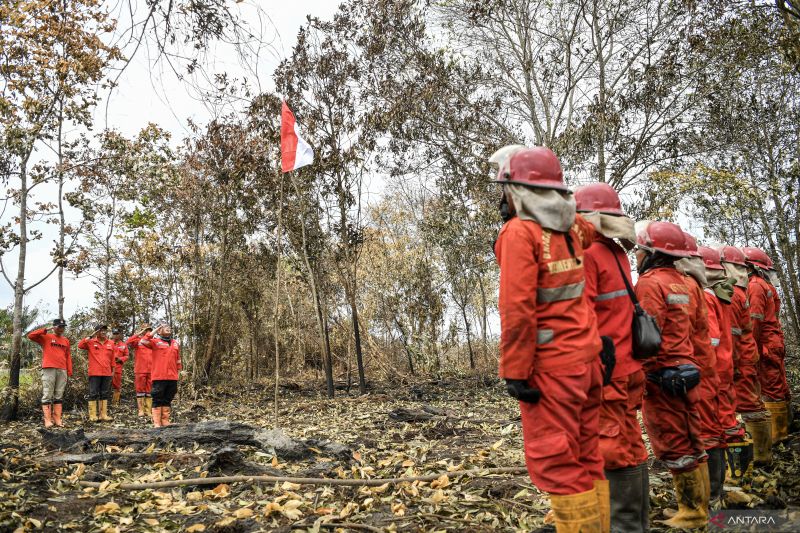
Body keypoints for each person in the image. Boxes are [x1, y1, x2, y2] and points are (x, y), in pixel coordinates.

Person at [491, 146, 608, 532]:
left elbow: (517, 309)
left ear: (516, 190)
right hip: (587, 363)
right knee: (588, 456)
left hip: (553, 369)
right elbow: (595, 225)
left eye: (504, 189)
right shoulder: (573, 227)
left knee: (556, 463)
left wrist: (515, 370)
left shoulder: (518, 233)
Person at [575, 183, 648, 533]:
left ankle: (623, 526)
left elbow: (582, 314)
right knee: (631, 444)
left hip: (608, 371)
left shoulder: (588, 255)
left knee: (612, 448)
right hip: (630, 367)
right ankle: (637, 523)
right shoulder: (618, 253)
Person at [634, 221, 707, 529]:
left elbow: (647, 336)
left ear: (651, 252)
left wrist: (639, 374)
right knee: (694, 440)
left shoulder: (650, 283)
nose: (636, 255)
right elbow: (701, 332)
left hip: (662, 376)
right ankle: (701, 507)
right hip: (690, 371)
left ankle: (692, 514)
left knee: (674, 443)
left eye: (638, 249)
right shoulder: (690, 283)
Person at [676, 235, 725, 508]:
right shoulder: (701, 291)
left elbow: (711, 339)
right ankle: (713, 494)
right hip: (707, 369)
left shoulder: (699, 293)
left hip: (703, 370)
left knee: (706, 431)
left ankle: (710, 498)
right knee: (710, 428)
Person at [719, 245, 772, 466]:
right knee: (752, 404)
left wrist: (731, 365)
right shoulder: (741, 292)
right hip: (747, 356)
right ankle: (762, 456)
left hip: (740, 360)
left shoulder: (734, 296)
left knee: (741, 408)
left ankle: (751, 462)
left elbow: (732, 335)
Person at [698, 246, 745, 481]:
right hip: (725, 366)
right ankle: (738, 474)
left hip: (713, 369)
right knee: (727, 420)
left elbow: (710, 339)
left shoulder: (706, 296)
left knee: (711, 426)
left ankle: (721, 483)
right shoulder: (723, 292)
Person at [742, 247, 789, 441]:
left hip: (766, 343)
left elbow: (755, 320)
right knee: (778, 385)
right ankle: (783, 428)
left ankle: (778, 435)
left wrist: (750, 348)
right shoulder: (765, 286)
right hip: (774, 340)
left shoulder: (754, 286)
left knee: (771, 387)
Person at [27, 318, 73, 428]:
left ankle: (57, 418)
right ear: (54, 327)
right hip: (49, 368)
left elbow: (68, 356)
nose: (61, 329)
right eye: (59, 326)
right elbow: (31, 336)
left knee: (59, 394)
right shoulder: (46, 337)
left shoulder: (66, 340)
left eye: (63, 327)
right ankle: (47, 420)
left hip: (62, 370)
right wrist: (46, 329)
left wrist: (69, 370)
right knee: (47, 394)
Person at [140, 324, 181, 427]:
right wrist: (156, 329)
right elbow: (143, 341)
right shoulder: (155, 342)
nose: (168, 328)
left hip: (172, 377)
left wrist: (179, 372)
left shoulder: (175, 343)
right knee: (158, 398)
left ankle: (165, 421)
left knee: (168, 398)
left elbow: (178, 360)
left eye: (169, 327)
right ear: (159, 331)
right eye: (164, 327)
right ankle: (157, 422)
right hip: (159, 376)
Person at [77, 324, 115, 422]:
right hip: (94, 372)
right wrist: (90, 336)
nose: (103, 332)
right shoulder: (90, 342)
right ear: (96, 332)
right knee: (93, 393)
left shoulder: (110, 343)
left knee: (104, 393)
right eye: (101, 330)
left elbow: (112, 358)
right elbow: (80, 345)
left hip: (107, 372)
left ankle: (103, 415)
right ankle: (93, 415)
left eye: (104, 330)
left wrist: (113, 370)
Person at [127, 324, 154, 417]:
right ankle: (141, 410)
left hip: (152, 370)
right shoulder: (138, 341)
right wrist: (138, 333)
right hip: (140, 369)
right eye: (146, 330)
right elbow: (128, 341)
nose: (148, 332)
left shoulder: (153, 342)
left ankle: (148, 410)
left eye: (149, 330)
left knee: (149, 391)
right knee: (140, 390)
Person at [110, 327, 129, 407]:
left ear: (120, 335)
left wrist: (120, 359)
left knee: (117, 386)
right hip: (108, 368)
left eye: (117, 334)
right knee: (105, 385)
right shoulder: (109, 343)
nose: (115, 336)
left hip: (118, 368)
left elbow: (127, 356)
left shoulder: (124, 345)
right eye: (114, 334)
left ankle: (115, 403)